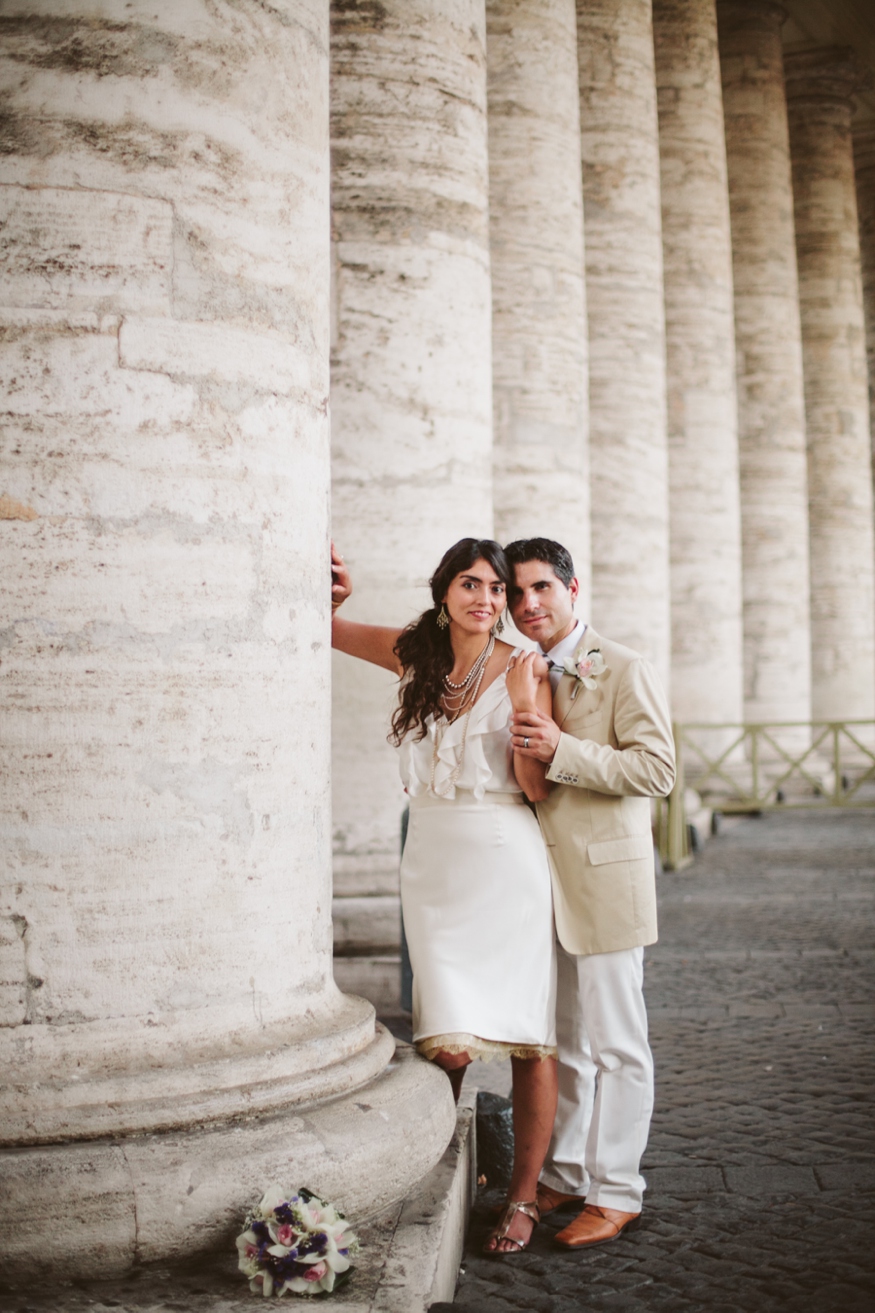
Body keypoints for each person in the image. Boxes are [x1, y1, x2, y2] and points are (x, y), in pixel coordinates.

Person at [330, 538, 559, 1255]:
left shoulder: (527, 668)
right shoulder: (414, 652)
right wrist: (334, 595)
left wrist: (525, 711)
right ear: (444, 591)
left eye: (496, 588)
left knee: (527, 1034)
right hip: (430, 861)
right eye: (471, 583)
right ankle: (424, 1170)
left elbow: (535, 788)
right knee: (444, 1039)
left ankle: (521, 1198)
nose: (486, 598)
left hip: (503, 856)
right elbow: (322, 629)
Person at [503, 537, 676, 1251]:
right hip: (545, 888)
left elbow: (657, 769)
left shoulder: (623, 666)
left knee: (617, 1045)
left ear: (574, 589)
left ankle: (617, 1190)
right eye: (516, 594)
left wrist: (560, 750)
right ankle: (567, 1171)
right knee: (565, 1045)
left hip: (606, 882)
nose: (526, 604)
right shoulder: (521, 669)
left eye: (540, 587)